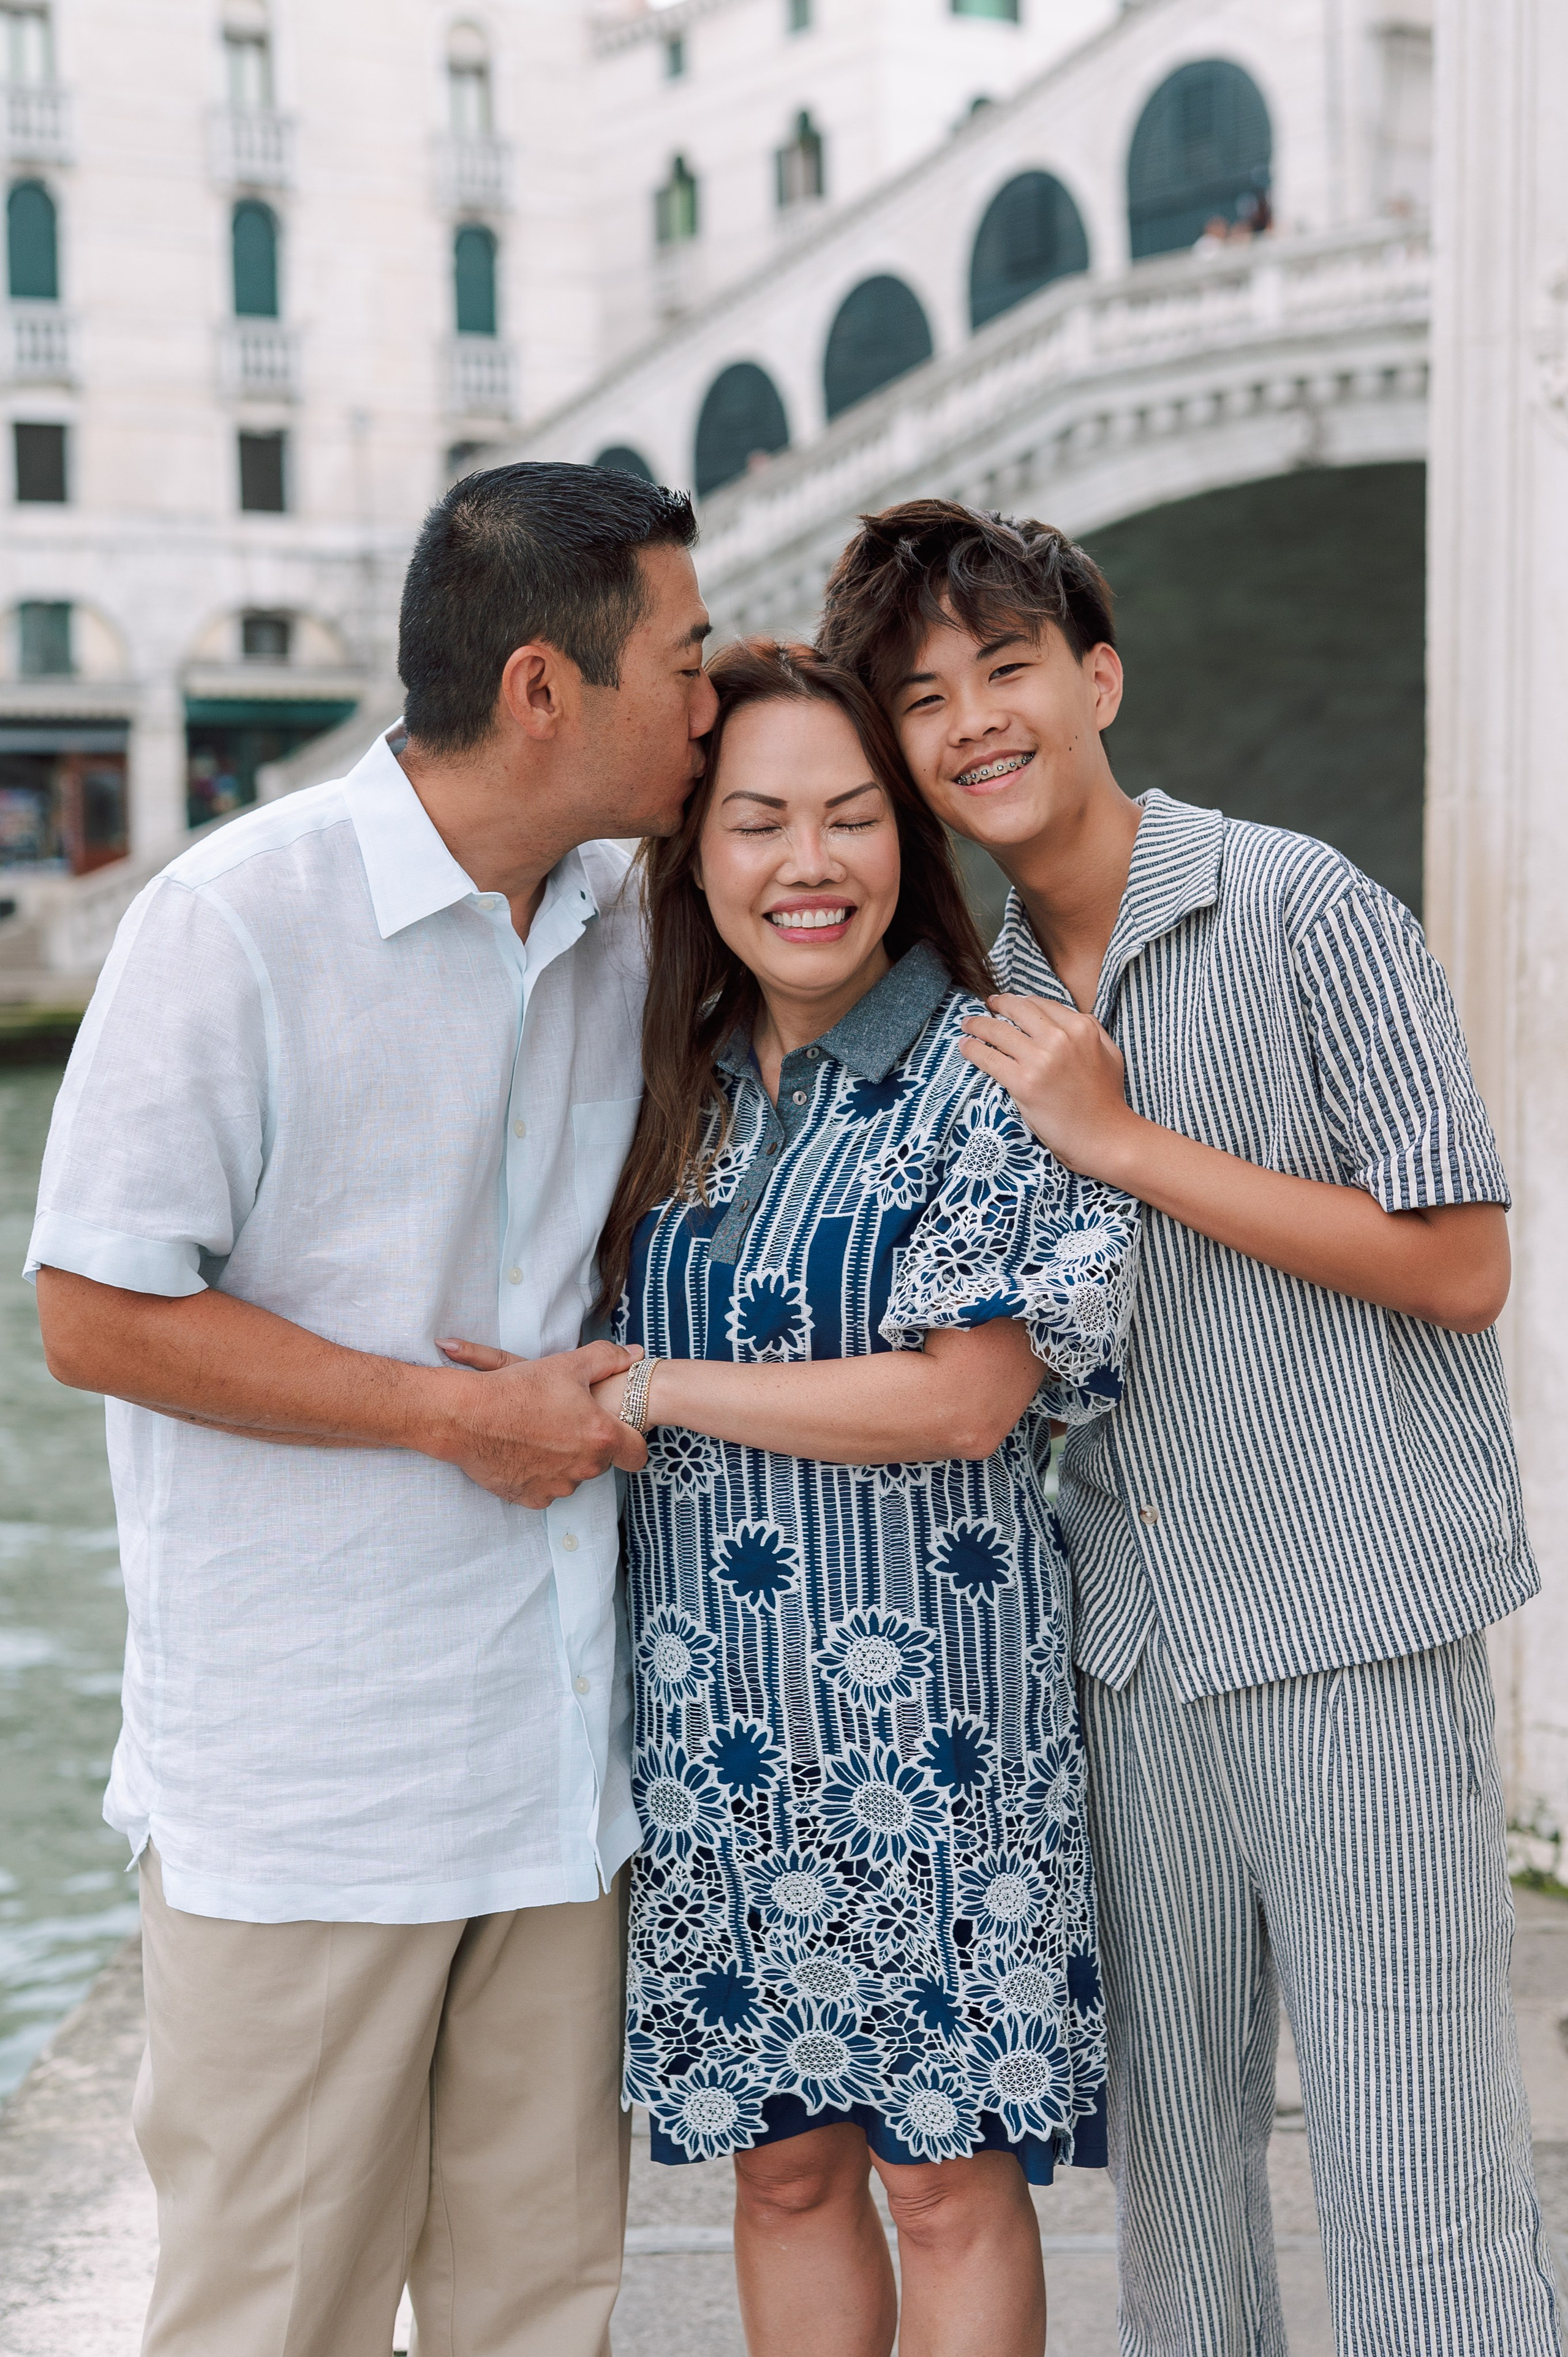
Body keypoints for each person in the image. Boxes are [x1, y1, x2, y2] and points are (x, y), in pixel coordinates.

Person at [817, 501, 1562, 2357]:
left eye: (1006, 667)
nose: (974, 720)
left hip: (1353, 1636)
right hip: (1129, 1655)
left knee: (1421, 2177)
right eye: (923, 698)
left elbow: (1461, 1261)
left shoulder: (1306, 905)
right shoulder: (975, 1010)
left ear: (1098, 676)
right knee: (1182, 2189)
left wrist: (1122, 1138)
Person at [26, 461, 717, 2357]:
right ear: (542, 692)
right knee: (274, 2324)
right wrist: (444, 1420)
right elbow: (89, 1311)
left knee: (536, 2317)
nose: (713, 693)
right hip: (309, 1797)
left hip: (557, 1778)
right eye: (688, 652)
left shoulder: (625, 931)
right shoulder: (232, 922)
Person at [447, 638, 1139, 2357]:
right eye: (757, 823)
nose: (807, 865)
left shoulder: (991, 1063)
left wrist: (654, 1394)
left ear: (910, 839)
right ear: (699, 856)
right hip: (713, 1735)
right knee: (782, 2179)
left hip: (943, 1740)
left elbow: (971, 1397)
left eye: (850, 818)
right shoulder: (659, 1085)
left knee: (949, 2183)